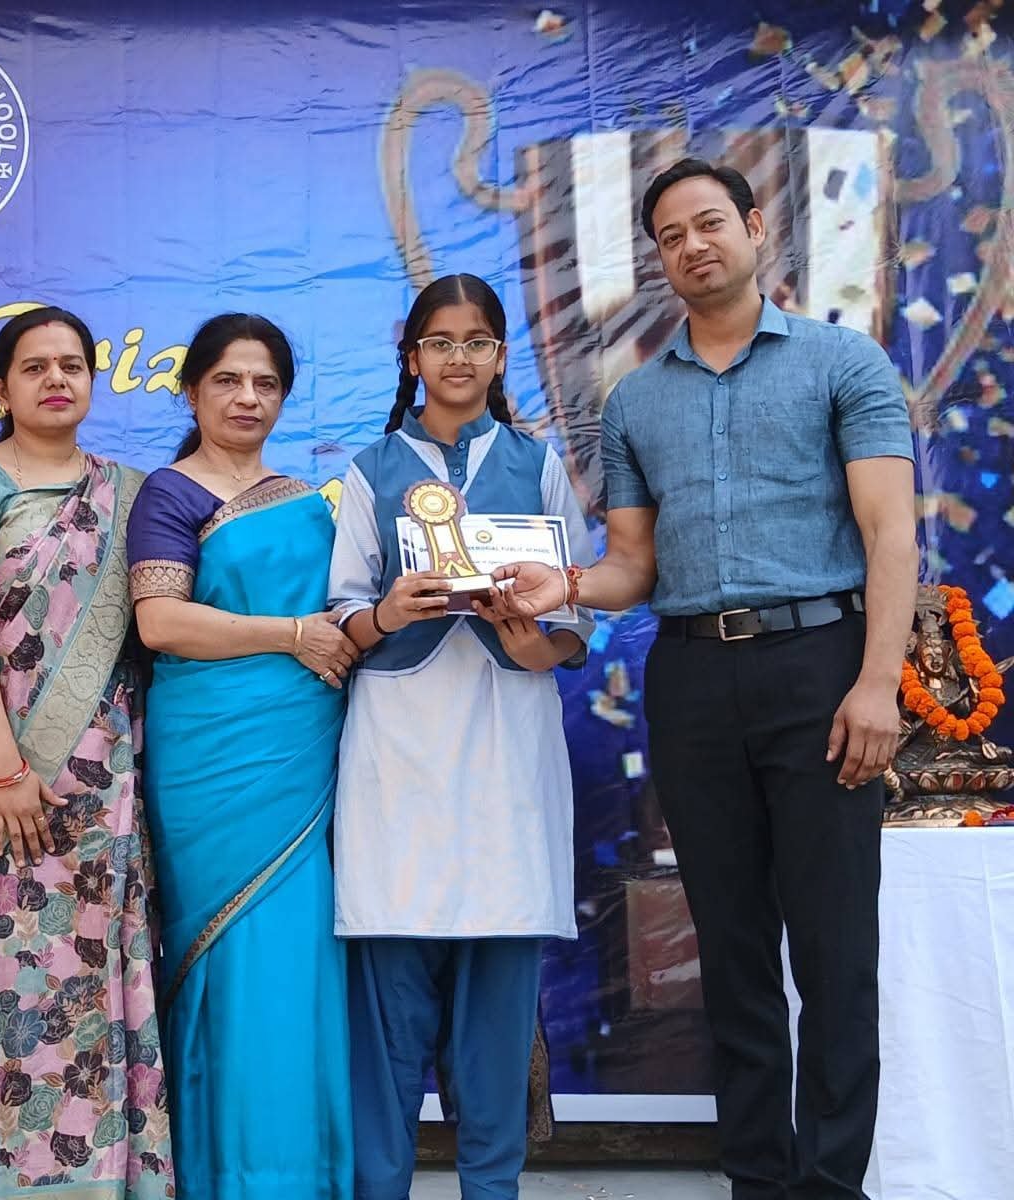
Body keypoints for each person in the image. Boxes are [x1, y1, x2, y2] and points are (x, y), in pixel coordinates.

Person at [496, 159, 919, 1200]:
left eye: (708, 223)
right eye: (670, 236)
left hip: (821, 669)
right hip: (689, 679)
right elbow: (633, 567)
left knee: (834, 952)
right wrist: (566, 583)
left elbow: (890, 533)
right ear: (657, 260)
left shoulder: (842, 362)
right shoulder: (636, 401)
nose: (692, 245)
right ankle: (757, 1182)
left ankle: (831, 1183)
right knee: (731, 953)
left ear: (756, 228)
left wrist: (877, 684)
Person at [327, 273, 593, 1200]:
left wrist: (534, 644)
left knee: (495, 1025)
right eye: (440, 342)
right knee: (388, 1020)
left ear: (501, 356)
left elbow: (576, 620)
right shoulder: (369, 470)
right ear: (411, 358)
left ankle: (493, 1187)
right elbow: (342, 615)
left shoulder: (538, 463)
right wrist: (389, 613)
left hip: (509, 748)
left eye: (477, 342)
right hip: (397, 755)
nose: (458, 358)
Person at [0, 306, 174, 1199]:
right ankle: (8, 1180)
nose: (56, 380)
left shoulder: (132, 494)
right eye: (35, 367)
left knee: (101, 969)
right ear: (3, 389)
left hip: (106, 781)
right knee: (11, 977)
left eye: (72, 365)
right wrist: (4, 771)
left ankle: (108, 1179)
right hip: (8, 779)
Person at [126, 313, 356, 1200]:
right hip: (211, 762)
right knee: (226, 958)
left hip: (302, 756)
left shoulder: (307, 500)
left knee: (295, 958)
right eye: (227, 380)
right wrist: (291, 633)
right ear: (192, 391)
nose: (247, 398)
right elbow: (161, 622)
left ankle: (296, 1175)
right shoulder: (170, 494)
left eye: (265, 383)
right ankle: (220, 1176)